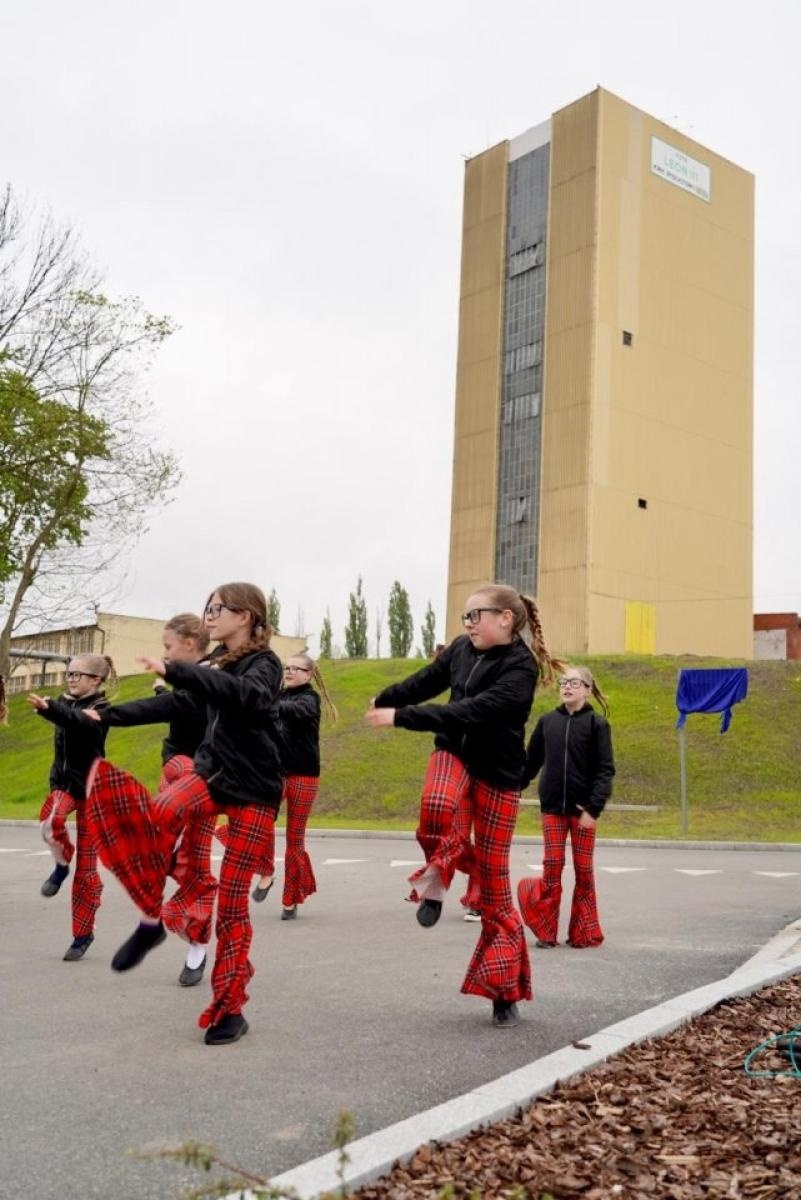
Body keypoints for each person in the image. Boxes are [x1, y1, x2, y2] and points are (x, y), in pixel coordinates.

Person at [85, 582, 284, 1045]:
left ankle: (230, 1009)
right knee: (154, 819)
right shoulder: (215, 664)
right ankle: (151, 923)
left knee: (232, 908)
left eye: (219, 609)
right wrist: (106, 716)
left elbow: (246, 697)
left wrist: (181, 670)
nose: (209, 615)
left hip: (254, 791)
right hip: (211, 775)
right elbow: (174, 703)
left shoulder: (265, 664)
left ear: (247, 616)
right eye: (207, 608)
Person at [365, 584, 562, 1028]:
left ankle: (503, 990)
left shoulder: (520, 669)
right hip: (452, 753)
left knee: (494, 887)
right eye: (465, 618)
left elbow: (471, 711)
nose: (468, 625)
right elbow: (425, 681)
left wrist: (402, 718)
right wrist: (389, 697)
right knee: (435, 806)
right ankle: (435, 881)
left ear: (505, 619)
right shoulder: (459, 650)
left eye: (476, 616)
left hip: (498, 774)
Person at [86, 613, 216, 986]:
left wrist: (107, 715)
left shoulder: (213, 680)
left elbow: (170, 708)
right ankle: (150, 921)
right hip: (176, 770)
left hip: (205, 781)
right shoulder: (187, 680)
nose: (165, 653)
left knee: (196, 866)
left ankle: (197, 946)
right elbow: (174, 703)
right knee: (151, 848)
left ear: (189, 644)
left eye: (168, 647)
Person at [517, 665, 615, 950]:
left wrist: (592, 809)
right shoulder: (548, 722)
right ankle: (546, 932)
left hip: (583, 810)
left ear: (586, 688)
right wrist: (513, 788)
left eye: (574, 682)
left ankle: (583, 933)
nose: (567, 687)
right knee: (552, 868)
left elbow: (605, 771)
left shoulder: (597, 725)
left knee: (583, 871)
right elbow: (530, 763)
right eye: (563, 682)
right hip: (552, 809)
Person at [27, 654, 116, 961]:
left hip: (92, 792)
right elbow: (66, 715)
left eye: (79, 674)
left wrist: (52, 709)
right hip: (64, 787)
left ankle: (82, 934)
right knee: (50, 820)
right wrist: (54, 708)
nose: (71, 678)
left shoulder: (101, 710)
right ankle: (61, 864)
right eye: (69, 673)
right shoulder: (64, 704)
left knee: (88, 872)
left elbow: (81, 723)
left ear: (96, 680)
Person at [251, 652, 338, 919]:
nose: (288, 672)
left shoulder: (309, 699)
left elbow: (293, 710)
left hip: (304, 775)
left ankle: (291, 899)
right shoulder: (276, 695)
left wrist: (266, 703)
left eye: (295, 668)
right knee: (259, 821)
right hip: (275, 773)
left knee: (294, 838)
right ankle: (267, 871)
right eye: (286, 668)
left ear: (308, 674)